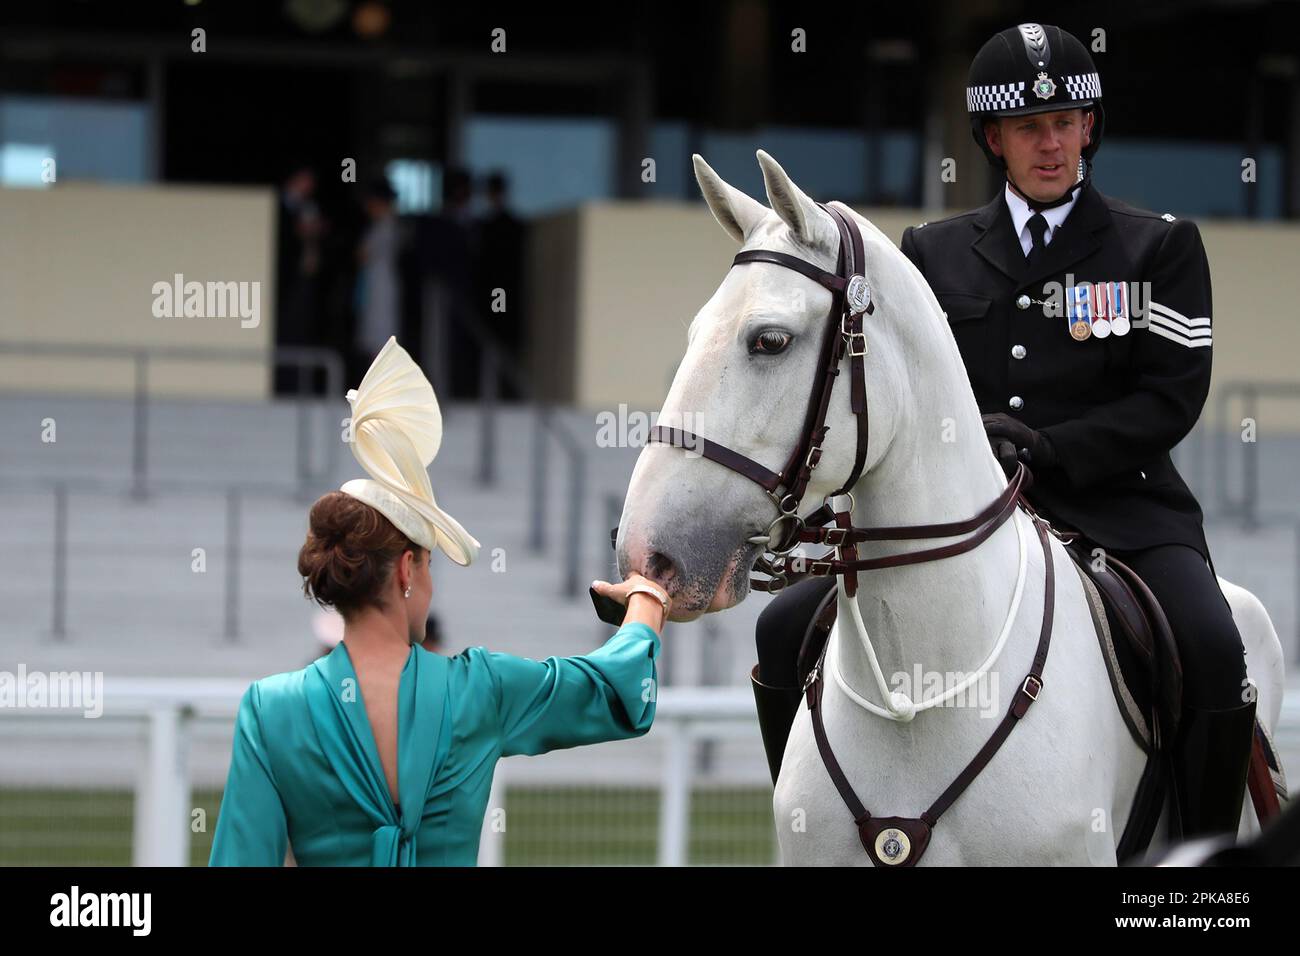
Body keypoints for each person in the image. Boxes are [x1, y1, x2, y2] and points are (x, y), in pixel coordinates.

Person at [754, 22, 1254, 843]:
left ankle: (1203, 868)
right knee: (781, 631)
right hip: (960, 515)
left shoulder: (1158, 245)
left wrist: (1052, 448)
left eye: (1064, 122)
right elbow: (895, 397)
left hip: (1120, 512)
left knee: (1212, 647)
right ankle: (821, 827)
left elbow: (1171, 398)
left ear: (1089, 127)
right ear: (993, 139)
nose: (1050, 144)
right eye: (1028, 128)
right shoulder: (931, 253)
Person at [210, 337, 669, 866]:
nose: (430, 587)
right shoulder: (482, 690)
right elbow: (611, 693)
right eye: (429, 564)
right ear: (407, 569)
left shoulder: (271, 711)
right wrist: (647, 597)